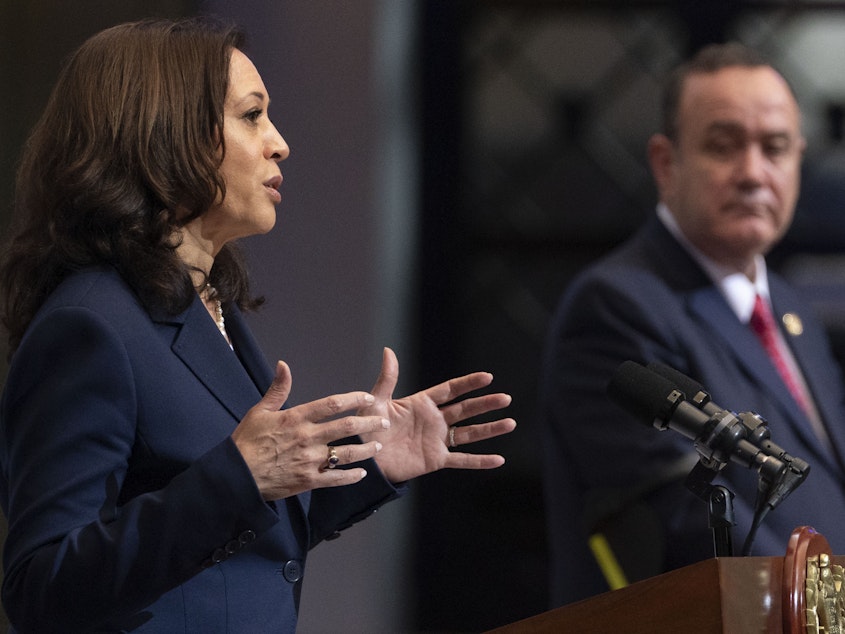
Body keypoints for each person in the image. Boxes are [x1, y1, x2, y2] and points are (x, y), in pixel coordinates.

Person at [0, 17, 516, 632]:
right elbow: (41, 588)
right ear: (166, 135)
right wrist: (239, 478)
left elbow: (237, 536)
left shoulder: (204, 304)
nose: (279, 143)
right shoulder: (90, 327)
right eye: (251, 116)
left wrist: (364, 463)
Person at [540, 42, 845, 607]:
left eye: (774, 148)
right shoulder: (616, 307)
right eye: (724, 146)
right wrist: (836, 607)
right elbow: (686, 524)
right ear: (665, 162)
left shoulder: (789, 305)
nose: (753, 172)